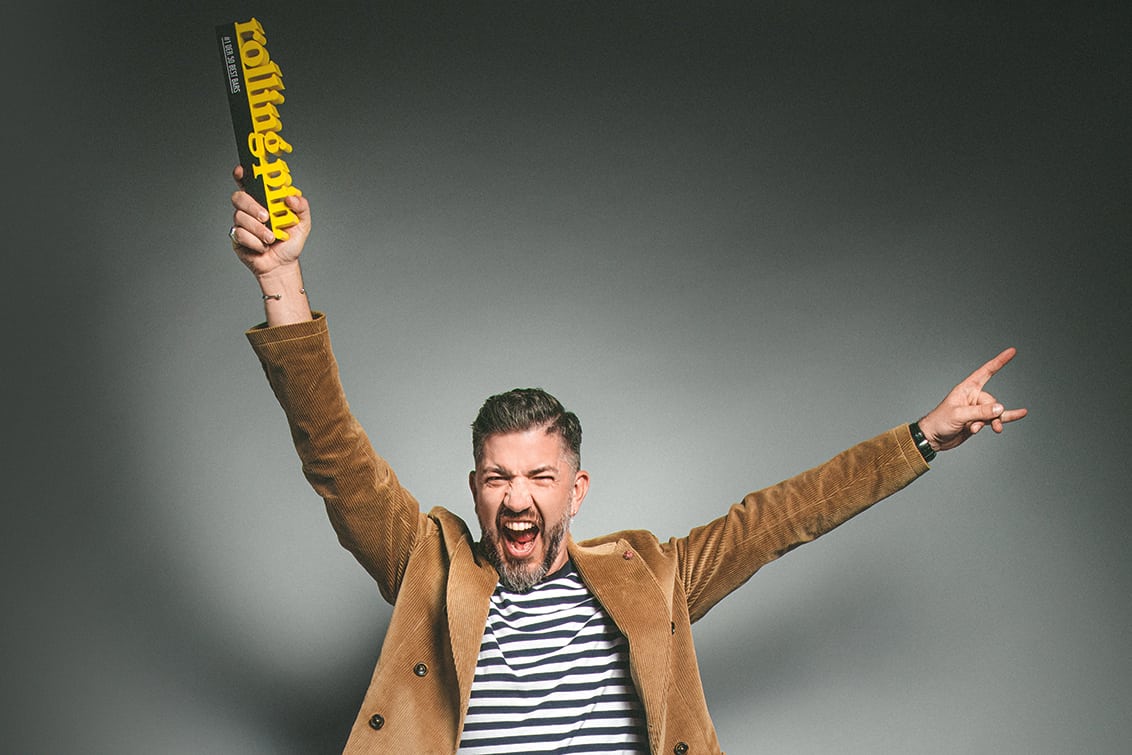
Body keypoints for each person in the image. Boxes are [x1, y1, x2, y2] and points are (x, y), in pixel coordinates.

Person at [228, 167, 1027, 754]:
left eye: (540, 477)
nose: (517, 498)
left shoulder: (651, 577)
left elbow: (783, 517)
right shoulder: (427, 571)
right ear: (475, 489)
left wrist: (923, 436)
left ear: (576, 490)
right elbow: (335, 452)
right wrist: (281, 277)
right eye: (499, 477)